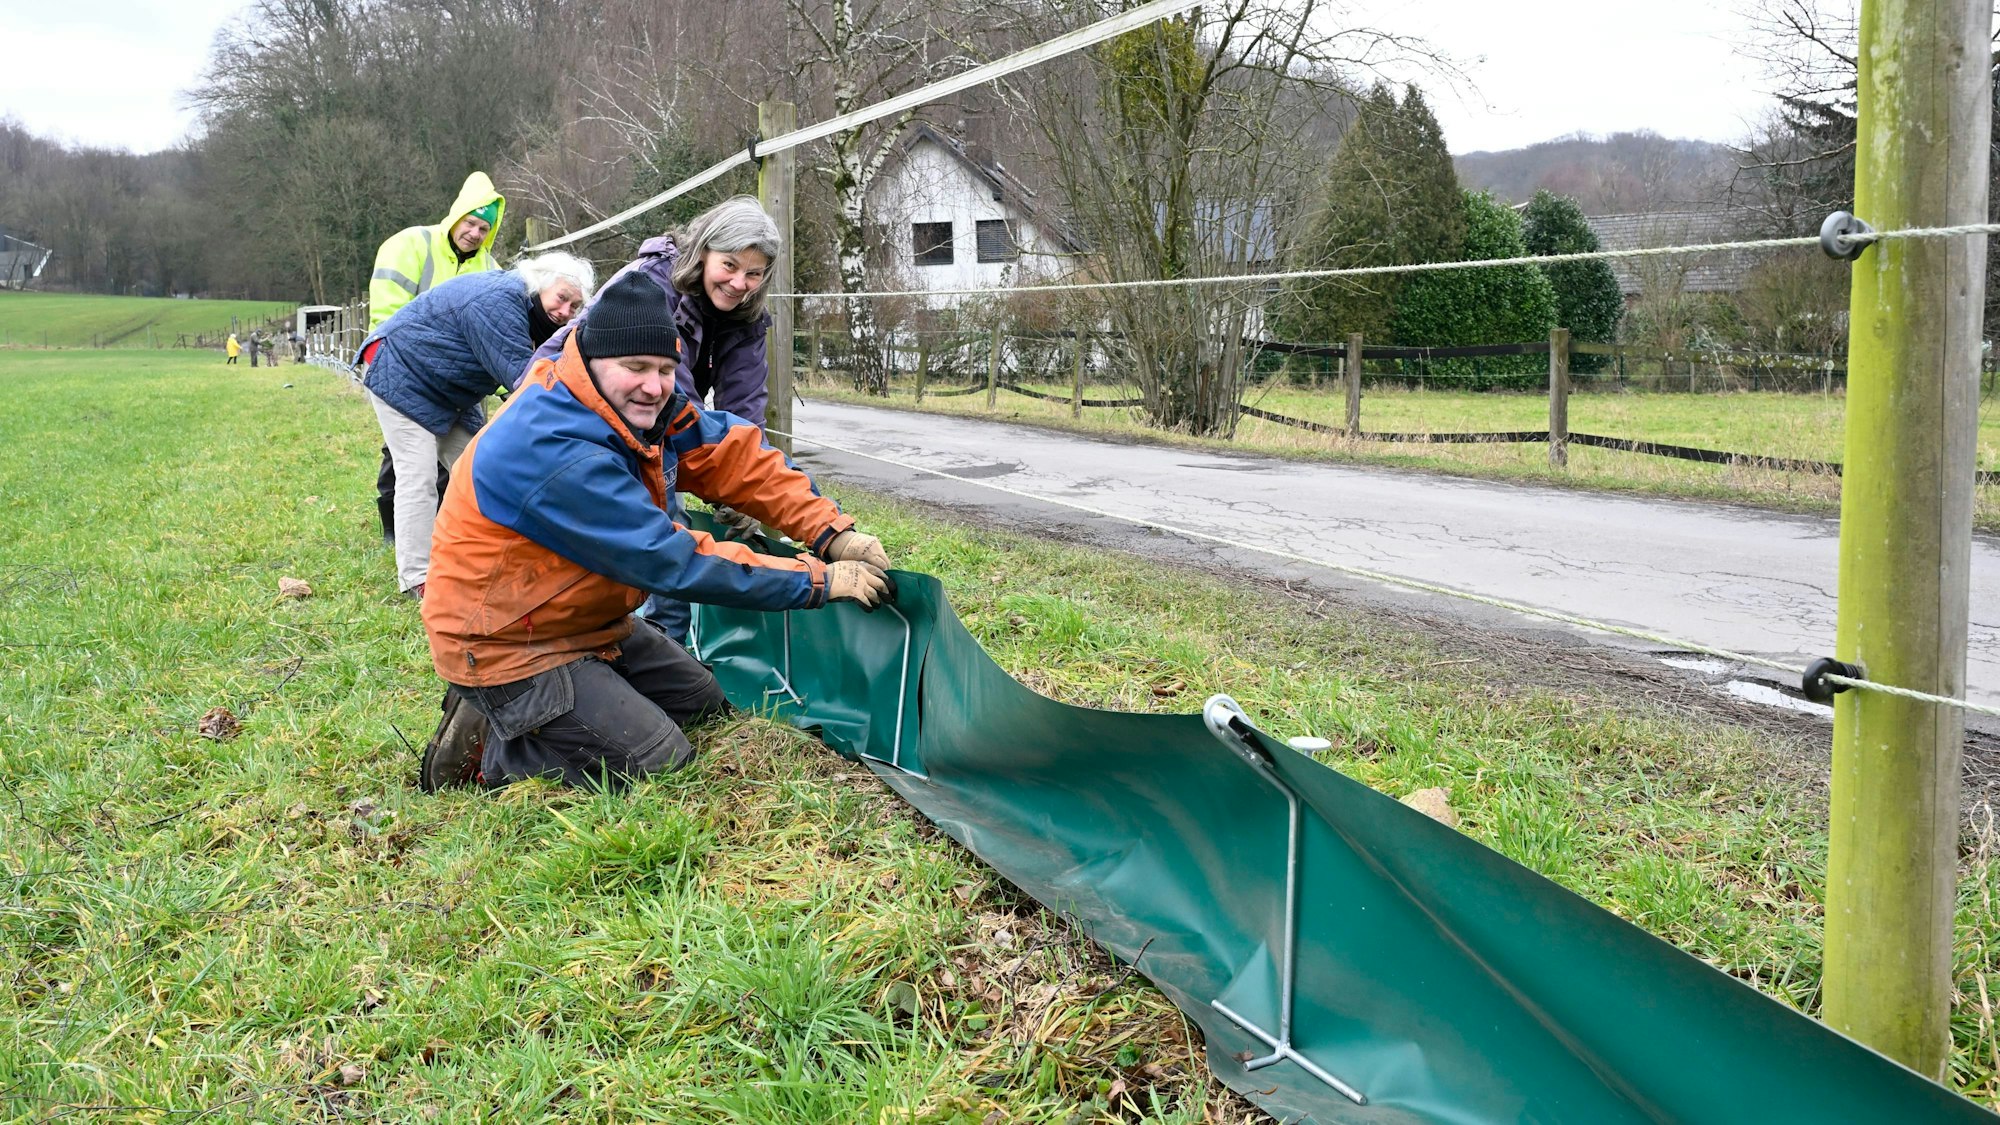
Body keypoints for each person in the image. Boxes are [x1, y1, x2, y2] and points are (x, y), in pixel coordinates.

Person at [417, 271, 895, 792]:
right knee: (658, 759)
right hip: (506, 638)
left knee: (704, 706)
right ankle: (491, 751)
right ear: (591, 362)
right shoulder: (551, 447)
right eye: (636, 367)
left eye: (667, 368)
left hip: (584, 619)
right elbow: (672, 558)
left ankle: (558, 706)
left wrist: (829, 530)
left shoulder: (642, 410)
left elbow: (733, 458)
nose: (654, 384)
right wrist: (816, 580)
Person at [530, 196, 780, 642]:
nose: (741, 282)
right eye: (730, 265)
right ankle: (666, 639)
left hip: (638, 411)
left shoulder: (746, 316)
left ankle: (651, 638)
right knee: (660, 513)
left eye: (754, 273)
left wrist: (748, 487)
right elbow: (670, 403)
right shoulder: (652, 287)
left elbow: (744, 405)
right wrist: (717, 474)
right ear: (703, 251)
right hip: (568, 403)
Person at [355, 251, 596, 599]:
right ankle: (417, 577)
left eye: (574, 307)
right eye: (562, 298)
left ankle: (493, 556)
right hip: (401, 369)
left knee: (483, 467)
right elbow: (526, 381)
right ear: (541, 283)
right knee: (418, 476)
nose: (565, 312)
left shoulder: (532, 314)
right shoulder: (500, 300)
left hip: (449, 388)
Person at [367, 171, 507, 544]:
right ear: (457, 216)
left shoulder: (491, 270)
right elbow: (387, 312)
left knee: (467, 447)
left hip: (460, 376)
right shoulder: (412, 244)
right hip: (406, 366)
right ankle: (396, 528)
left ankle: (450, 526)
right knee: (408, 452)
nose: (475, 233)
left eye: (484, 229)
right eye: (472, 223)